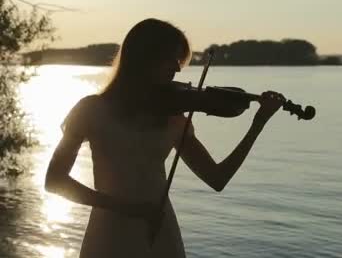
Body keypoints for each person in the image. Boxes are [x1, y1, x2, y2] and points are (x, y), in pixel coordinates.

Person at [44, 18, 285, 258]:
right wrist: (127, 208)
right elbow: (54, 181)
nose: (178, 68)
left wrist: (258, 123)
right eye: (172, 58)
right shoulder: (91, 109)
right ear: (145, 57)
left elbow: (217, 178)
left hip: (160, 233)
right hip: (109, 235)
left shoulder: (172, 117)